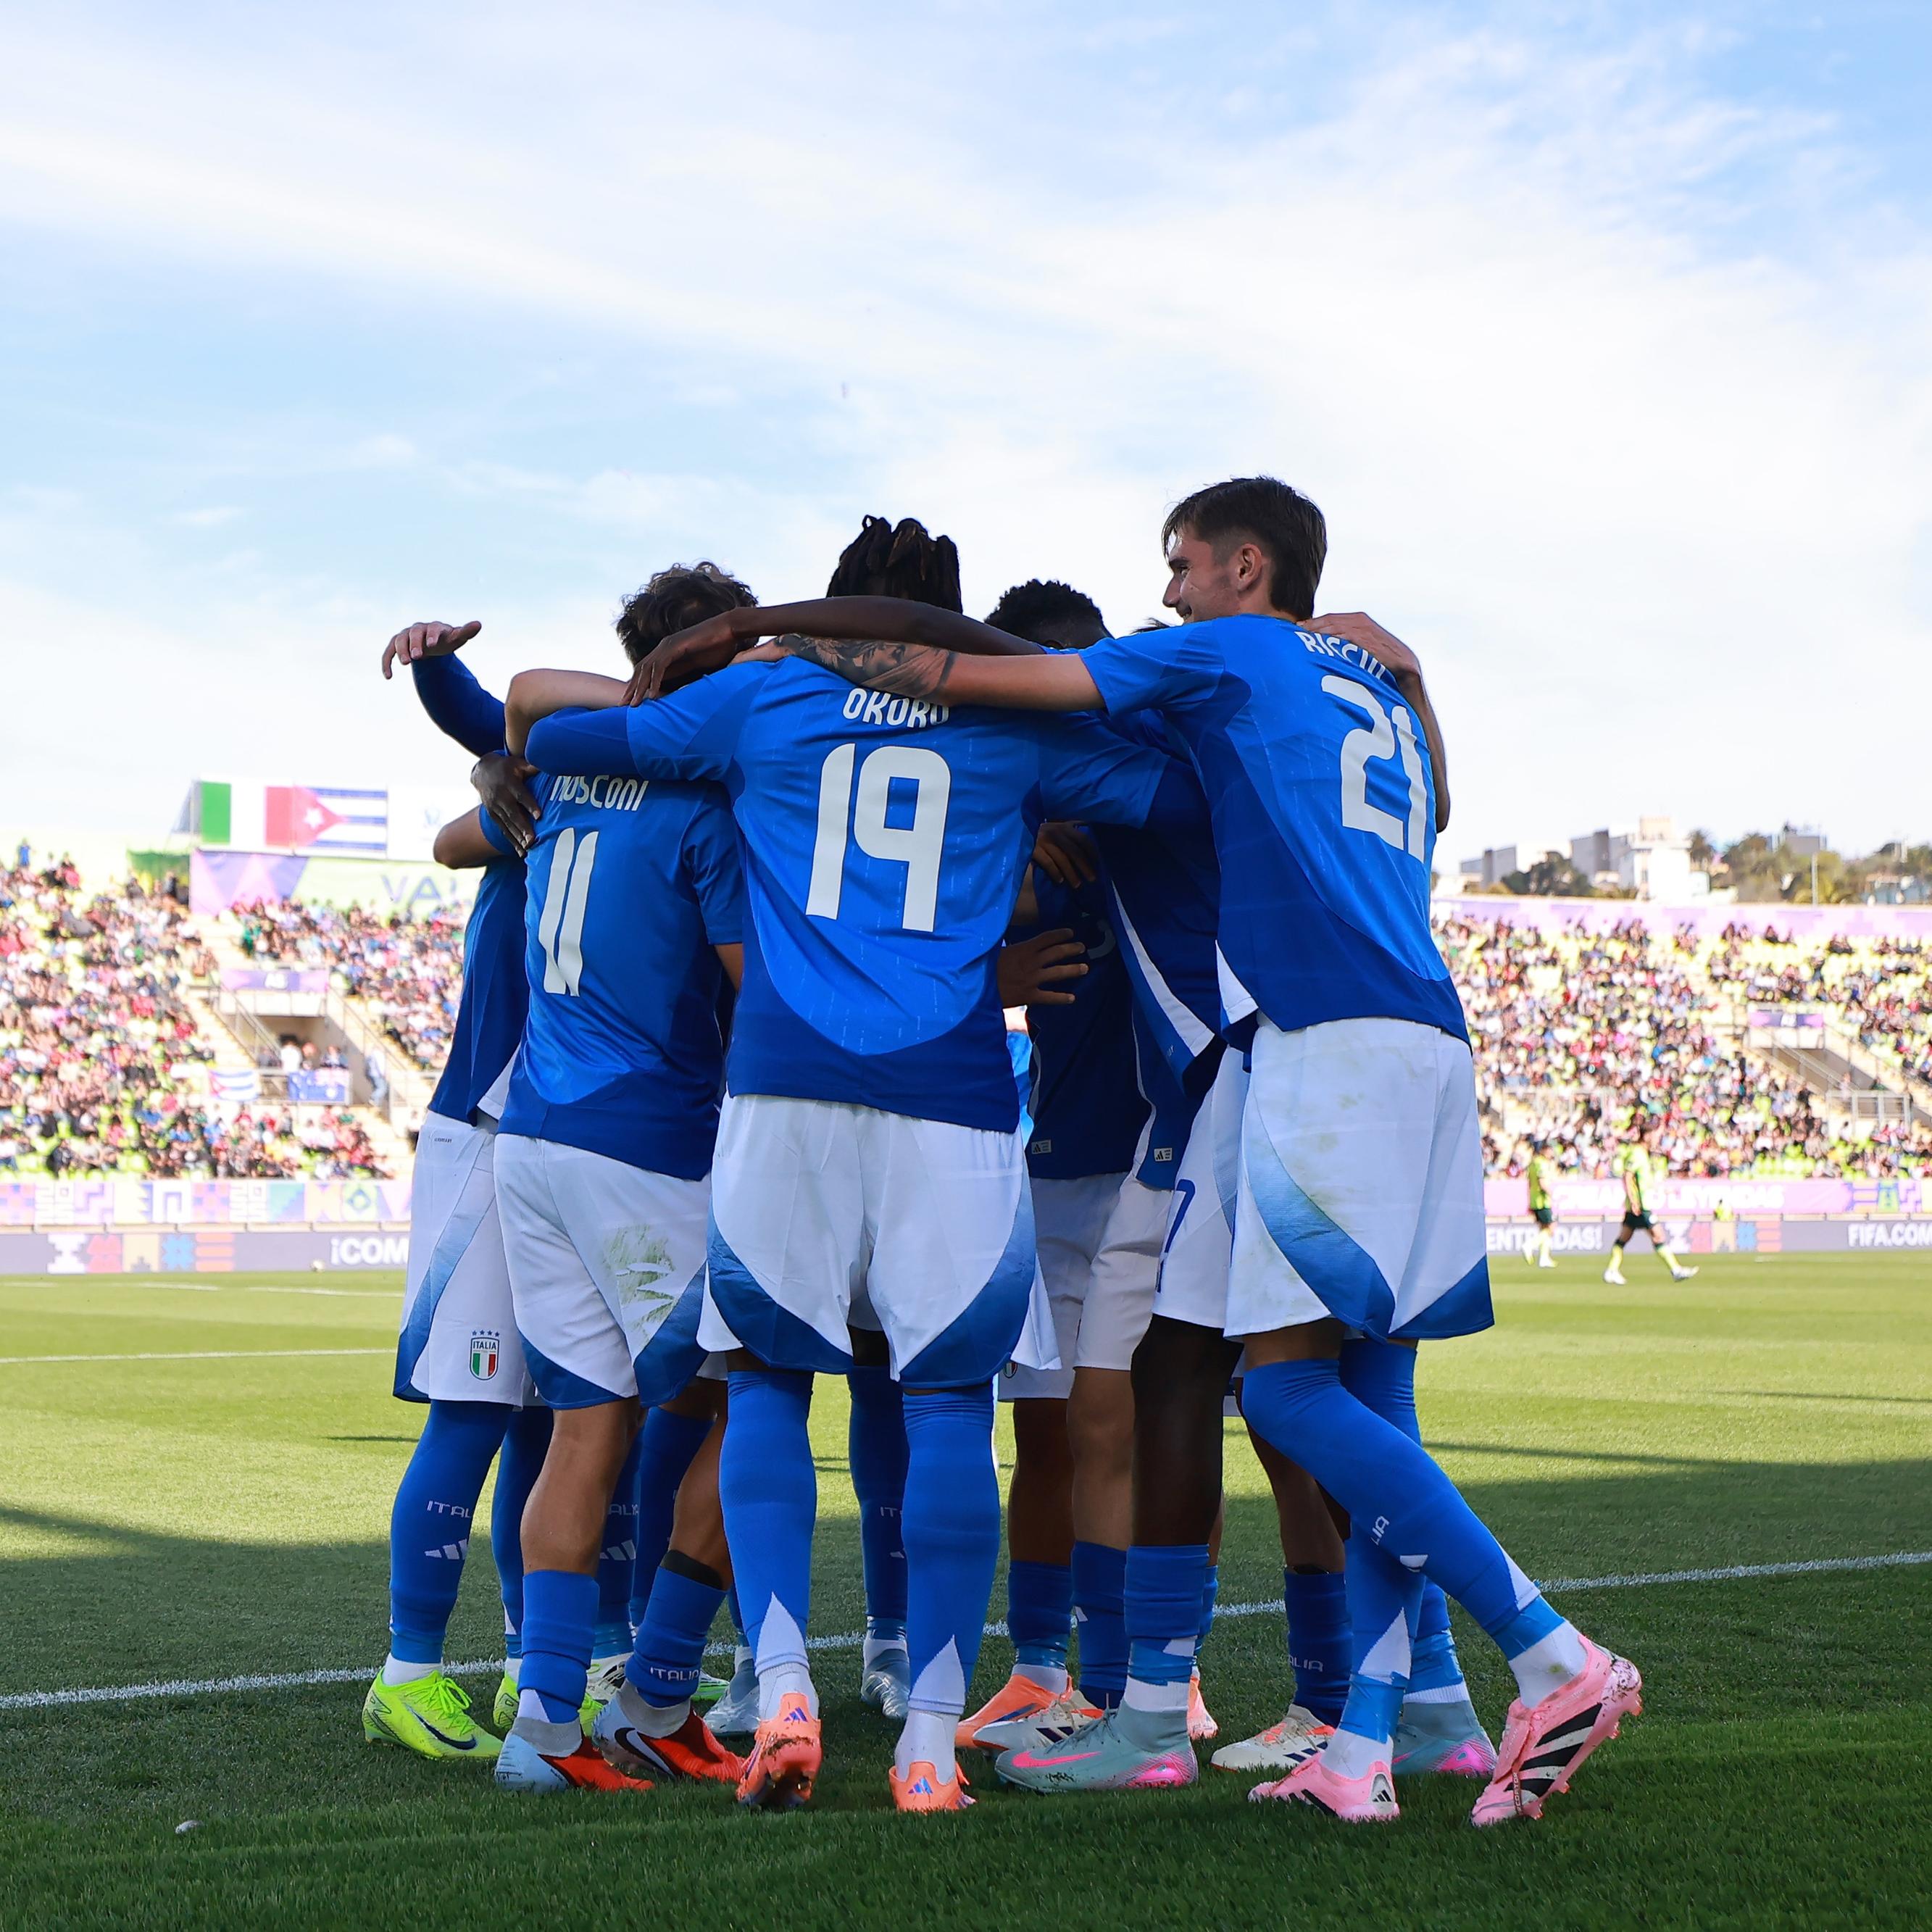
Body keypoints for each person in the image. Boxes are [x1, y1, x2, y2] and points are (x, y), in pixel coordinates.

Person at [656, 472, 1644, 1828]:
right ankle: (1387, 1722)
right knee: (1313, 1386)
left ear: (1244, 566)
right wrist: (1415, 677)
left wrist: (771, 636)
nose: (1166, 593)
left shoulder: (1220, 660)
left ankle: (1539, 1654)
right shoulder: (1370, 690)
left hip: (1302, 1040)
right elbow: (1437, 806)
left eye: (1180, 563)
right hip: (1414, 1033)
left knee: (1282, 1399)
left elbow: (973, 670)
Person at [504, 555, 1204, 1815]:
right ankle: (927, 1744)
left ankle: (782, 1687)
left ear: (827, 608)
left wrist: (730, 654)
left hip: (782, 1093)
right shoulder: (1009, 721)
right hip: (954, 1103)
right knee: (947, 1411)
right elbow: (1176, 790)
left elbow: (549, 732)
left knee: (766, 1389)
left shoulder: (756, 699)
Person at [359, 632, 551, 1767]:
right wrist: (435, 669)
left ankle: (534, 1657)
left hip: (564, 1140)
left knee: (548, 1415)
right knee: (475, 1409)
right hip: (488, 1129)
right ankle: (407, 1673)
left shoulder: (645, 777)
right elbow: (491, 718)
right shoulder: (559, 780)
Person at [1604, 1123, 1696, 1285]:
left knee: (1624, 1238)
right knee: (1658, 1236)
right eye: (1654, 1136)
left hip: (1639, 1204)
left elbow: (1644, 1181)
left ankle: (1611, 1270)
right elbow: (1628, 1176)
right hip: (1641, 1206)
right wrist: (1634, 1200)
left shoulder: (1643, 1154)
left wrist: (1664, 1191)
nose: (1656, 1140)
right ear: (1647, 1136)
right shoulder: (1637, 1153)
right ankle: (1676, 1270)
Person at [1525, 1138, 1560, 1270]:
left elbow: (1530, 1183)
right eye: (1550, 1149)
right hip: (1542, 1201)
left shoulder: (1533, 1163)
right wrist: (1553, 1195)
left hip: (1535, 1200)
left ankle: (1544, 1258)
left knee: (1544, 1228)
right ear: (1543, 1150)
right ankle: (1530, 1245)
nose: (1552, 1152)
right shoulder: (1541, 1163)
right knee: (1552, 1227)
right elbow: (1542, 1183)